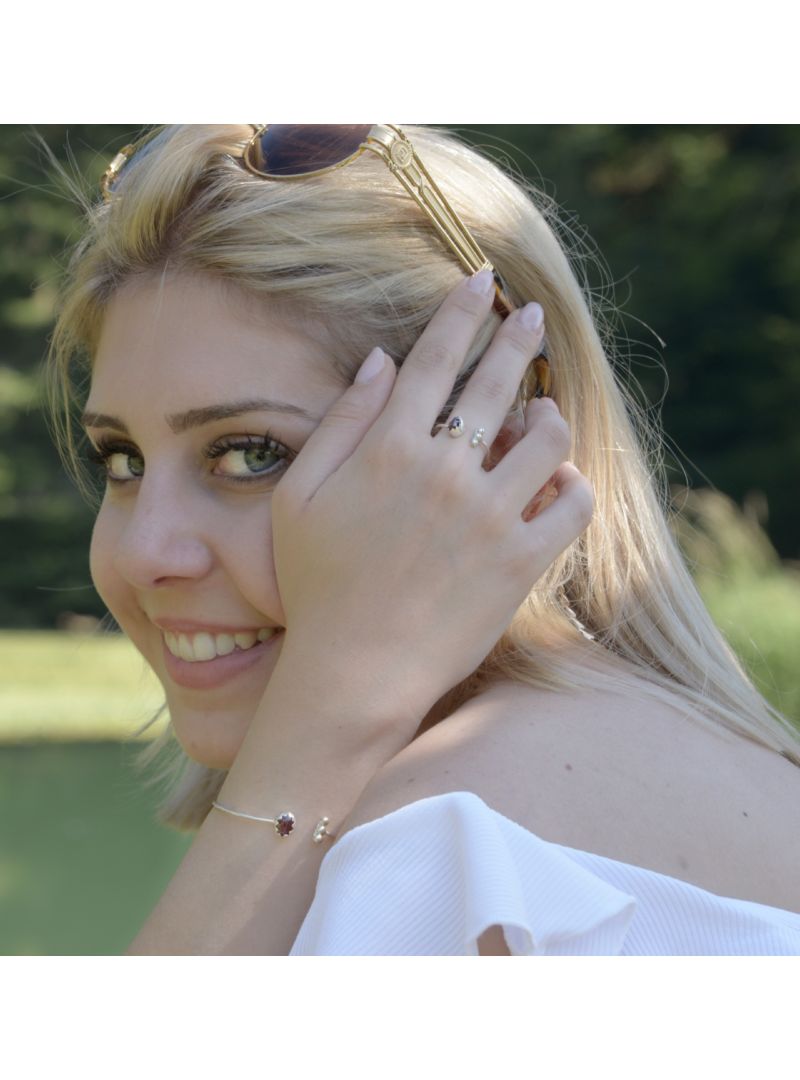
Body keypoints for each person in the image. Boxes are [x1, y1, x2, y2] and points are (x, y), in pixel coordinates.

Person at [45, 124, 800, 955]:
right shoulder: (745, 768)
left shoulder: (447, 850)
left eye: (252, 454)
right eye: (122, 460)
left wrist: (320, 726)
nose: (144, 553)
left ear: (497, 445)